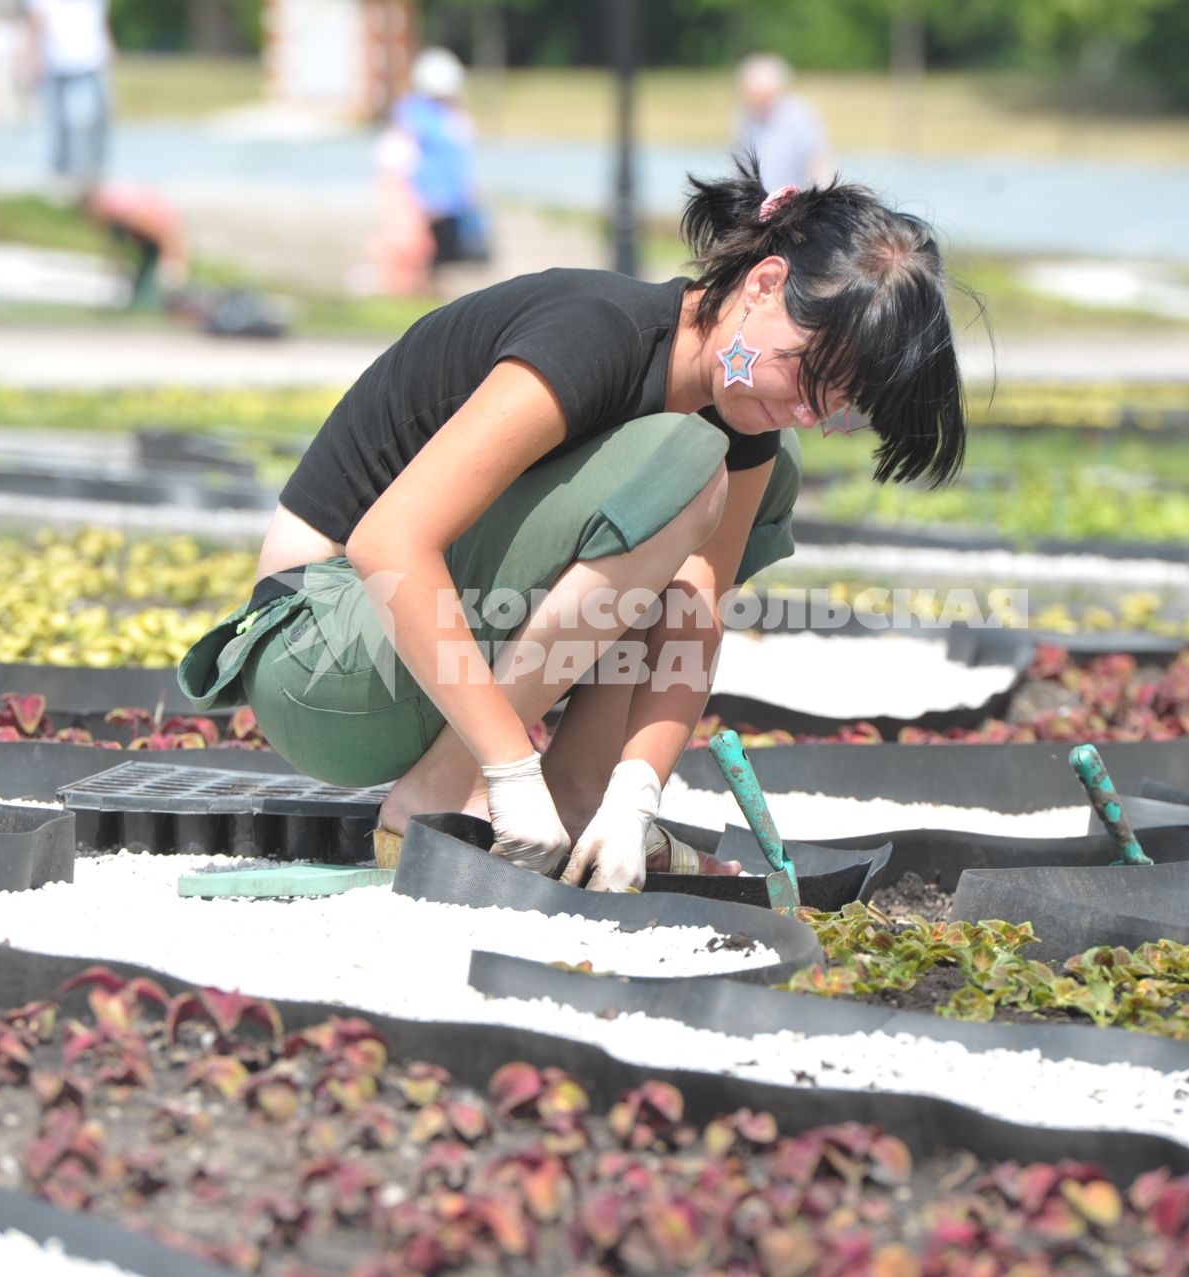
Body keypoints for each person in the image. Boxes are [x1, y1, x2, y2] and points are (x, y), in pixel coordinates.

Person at [179, 162, 968, 891]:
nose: (806, 409)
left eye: (836, 402)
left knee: (738, 473)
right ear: (765, 284)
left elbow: (693, 613)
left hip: (416, 662)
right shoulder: (598, 332)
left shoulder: (746, 418)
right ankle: (449, 788)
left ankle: (581, 791)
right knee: (687, 461)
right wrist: (505, 766)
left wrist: (636, 790)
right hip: (319, 654)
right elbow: (386, 543)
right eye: (804, 370)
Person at [392, 47, 490, 275]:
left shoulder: (451, 115)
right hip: (430, 193)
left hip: (453, 194)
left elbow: (462, 155)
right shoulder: (416, 113)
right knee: (429, 249)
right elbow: (402, 157)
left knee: (453, 251)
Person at [25, 0, 114, 190]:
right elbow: (35, 24)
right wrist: (34, 56)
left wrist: (109, 47)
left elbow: (101, 20)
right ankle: (63, 174)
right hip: (56, 64)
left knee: (92, 120)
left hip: (90, 63)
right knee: (63, 124)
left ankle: (92, 174)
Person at [734, 54, 833, 193]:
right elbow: (741, 165)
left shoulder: (800, 115)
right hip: (760, 203)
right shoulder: (745, 116)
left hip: (797, 201)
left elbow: (818, 163)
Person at [82, 182, 188, 311]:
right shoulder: (116, 208)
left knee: (151, 277)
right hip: (149, 231)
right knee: (144, 274)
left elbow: (163, 235)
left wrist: (170, 258)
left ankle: (147, 304)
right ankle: (142, 302)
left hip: (159, 232)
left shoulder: (131, 213)